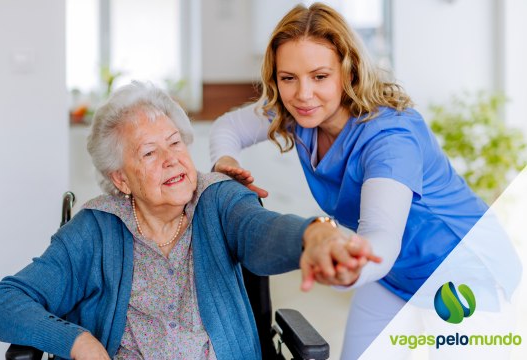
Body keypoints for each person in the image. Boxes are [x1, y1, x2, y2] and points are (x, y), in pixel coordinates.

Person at [0, 81, 379, 360]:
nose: (172, 158)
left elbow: (261, 230)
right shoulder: (94, 230)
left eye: (174, 143)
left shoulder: (218, 198)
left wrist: (314, 236)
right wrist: (79, 342)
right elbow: (1, 303)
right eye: (149, 153)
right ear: (121, 178)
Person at [209, 3, 495, 359]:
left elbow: (381, 238)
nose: (303, 94)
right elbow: (229, 127)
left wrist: (344, 266)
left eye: (319, 76)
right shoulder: (298, 115)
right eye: (288, 78)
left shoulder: (390, 138)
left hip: (465, 274)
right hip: (394, 276)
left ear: (348, 72)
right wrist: (226, 162)